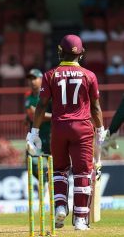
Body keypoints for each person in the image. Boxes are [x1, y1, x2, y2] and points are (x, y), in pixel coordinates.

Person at [26, 34, 106, 231]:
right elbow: (95, 108)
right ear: (82, 53)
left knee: (59, 170)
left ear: (60, 51)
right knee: (82, 173)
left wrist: (34, 132)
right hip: (82, 129)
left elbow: (40, 105)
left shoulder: (50, 75)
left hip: (59, 128)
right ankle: (80, 219)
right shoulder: (90, 76)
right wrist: (101, 129)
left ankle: (60, 206)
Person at [25, 69, 52, 181]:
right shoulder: (28, 97)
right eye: (30, 79)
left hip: (49, 134)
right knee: (30, 162)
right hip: (36, 136)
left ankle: (54, 186)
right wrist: (27, 118)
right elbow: (29, 114)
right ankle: (45, 183)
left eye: (34, 78)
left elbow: (55, 115)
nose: (32, 82)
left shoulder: (47, 96)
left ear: (41, 79)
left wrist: (38, 113)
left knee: (53, 163)